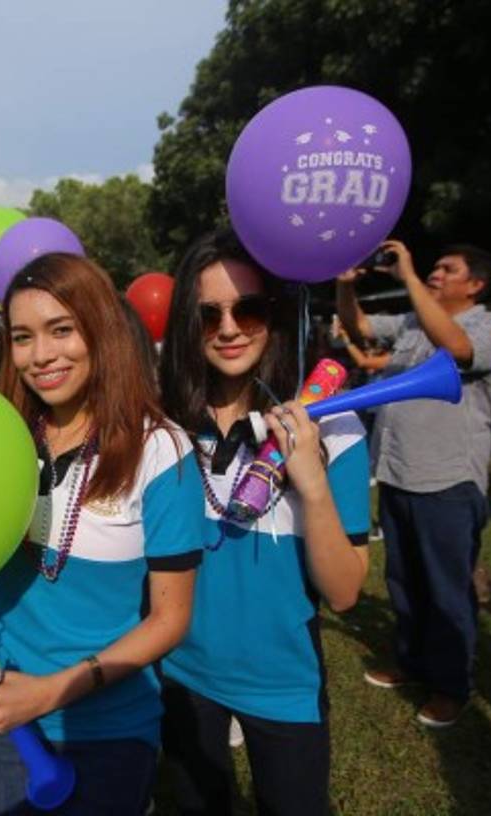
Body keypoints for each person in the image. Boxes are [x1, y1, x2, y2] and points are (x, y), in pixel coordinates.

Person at [0, 254, 203, 815]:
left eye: (61, 330)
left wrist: (52, 691)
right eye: (22, 337)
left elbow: (170, 619)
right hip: (4, 720)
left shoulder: (161, 450)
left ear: (100, 329)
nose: (41, 355)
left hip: (107, 730)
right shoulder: (4, 439)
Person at [157, 229, 370, 813]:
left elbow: (345, 592)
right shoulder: (166, 424)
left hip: (284, 685)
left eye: (247, 309)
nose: (228, 329)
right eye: (209, 315)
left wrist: (312, 481)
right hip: (182, 671)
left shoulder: (334, 426)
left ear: (276, 314)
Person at [336, 240, 491, 728]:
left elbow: (458, 349)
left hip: (447, 480)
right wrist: (344, 287)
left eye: (447, 269)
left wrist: (409, 276)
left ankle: (452, 685)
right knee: (404, 579)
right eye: (433, 267)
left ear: (475, 285)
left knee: (446, 589)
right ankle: (412, 661)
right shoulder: (413, 321)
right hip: (398, 472)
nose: (435, 273)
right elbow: (359, 327)